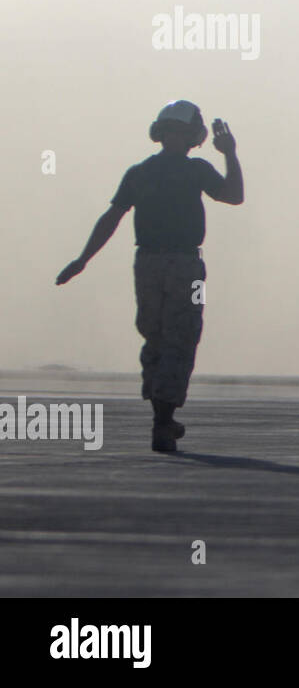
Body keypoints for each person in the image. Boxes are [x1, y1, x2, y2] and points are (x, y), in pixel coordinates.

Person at [56, 100, 244, 451]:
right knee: (180, 337)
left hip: (146, 265)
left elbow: (112, 218)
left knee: (155, 337)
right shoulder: (196, 171)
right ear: (192, 136)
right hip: (186, 266)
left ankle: (162, 417)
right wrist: (230, 154)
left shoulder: (139, 173)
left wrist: (83, 259)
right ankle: (163, 420)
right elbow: (234, 196)